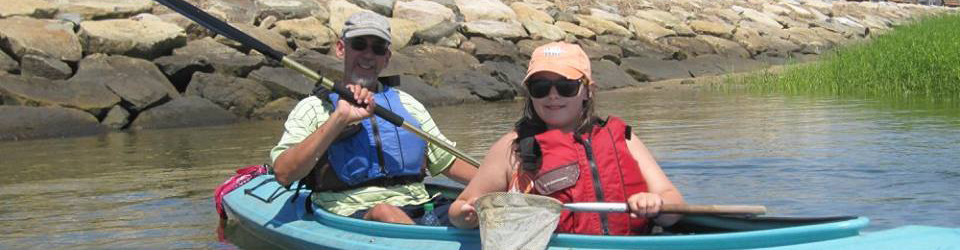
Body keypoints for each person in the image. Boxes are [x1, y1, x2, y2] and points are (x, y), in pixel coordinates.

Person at [448, 42, 685, 235]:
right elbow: (459, 208)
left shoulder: (623, 138)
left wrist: (656, 204)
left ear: (587, 91)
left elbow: (674, 204)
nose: (552, 96)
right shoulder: (511, 148)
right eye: (540, 87)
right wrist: (467, 215)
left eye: (565, 86)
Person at [270, 11, 476, 226]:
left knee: (478, 207)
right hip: (351, 213)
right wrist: (339, 119)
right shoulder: (313, 108)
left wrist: (503, 183)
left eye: (377, 48)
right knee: (385, 212)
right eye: (359, 44)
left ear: (386, 58)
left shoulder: (408, 104)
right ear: (341, 49)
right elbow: (285, 174)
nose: (368, 54)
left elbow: (449, 161)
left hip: (419, 205)